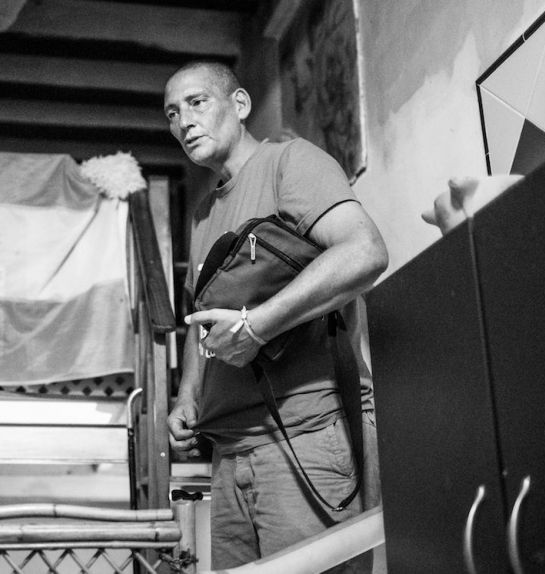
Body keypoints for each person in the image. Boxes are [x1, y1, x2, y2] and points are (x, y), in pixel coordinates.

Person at [163, 61, 388, 571]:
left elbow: (365, 251)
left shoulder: (290, 162)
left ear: (240, 105)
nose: (183, 122)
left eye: (197, 103)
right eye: (172, 114)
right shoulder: (202, 214)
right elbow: (203, 322)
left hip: (304, 435)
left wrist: (258, 325)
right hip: (230, 452)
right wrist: (187, 395)